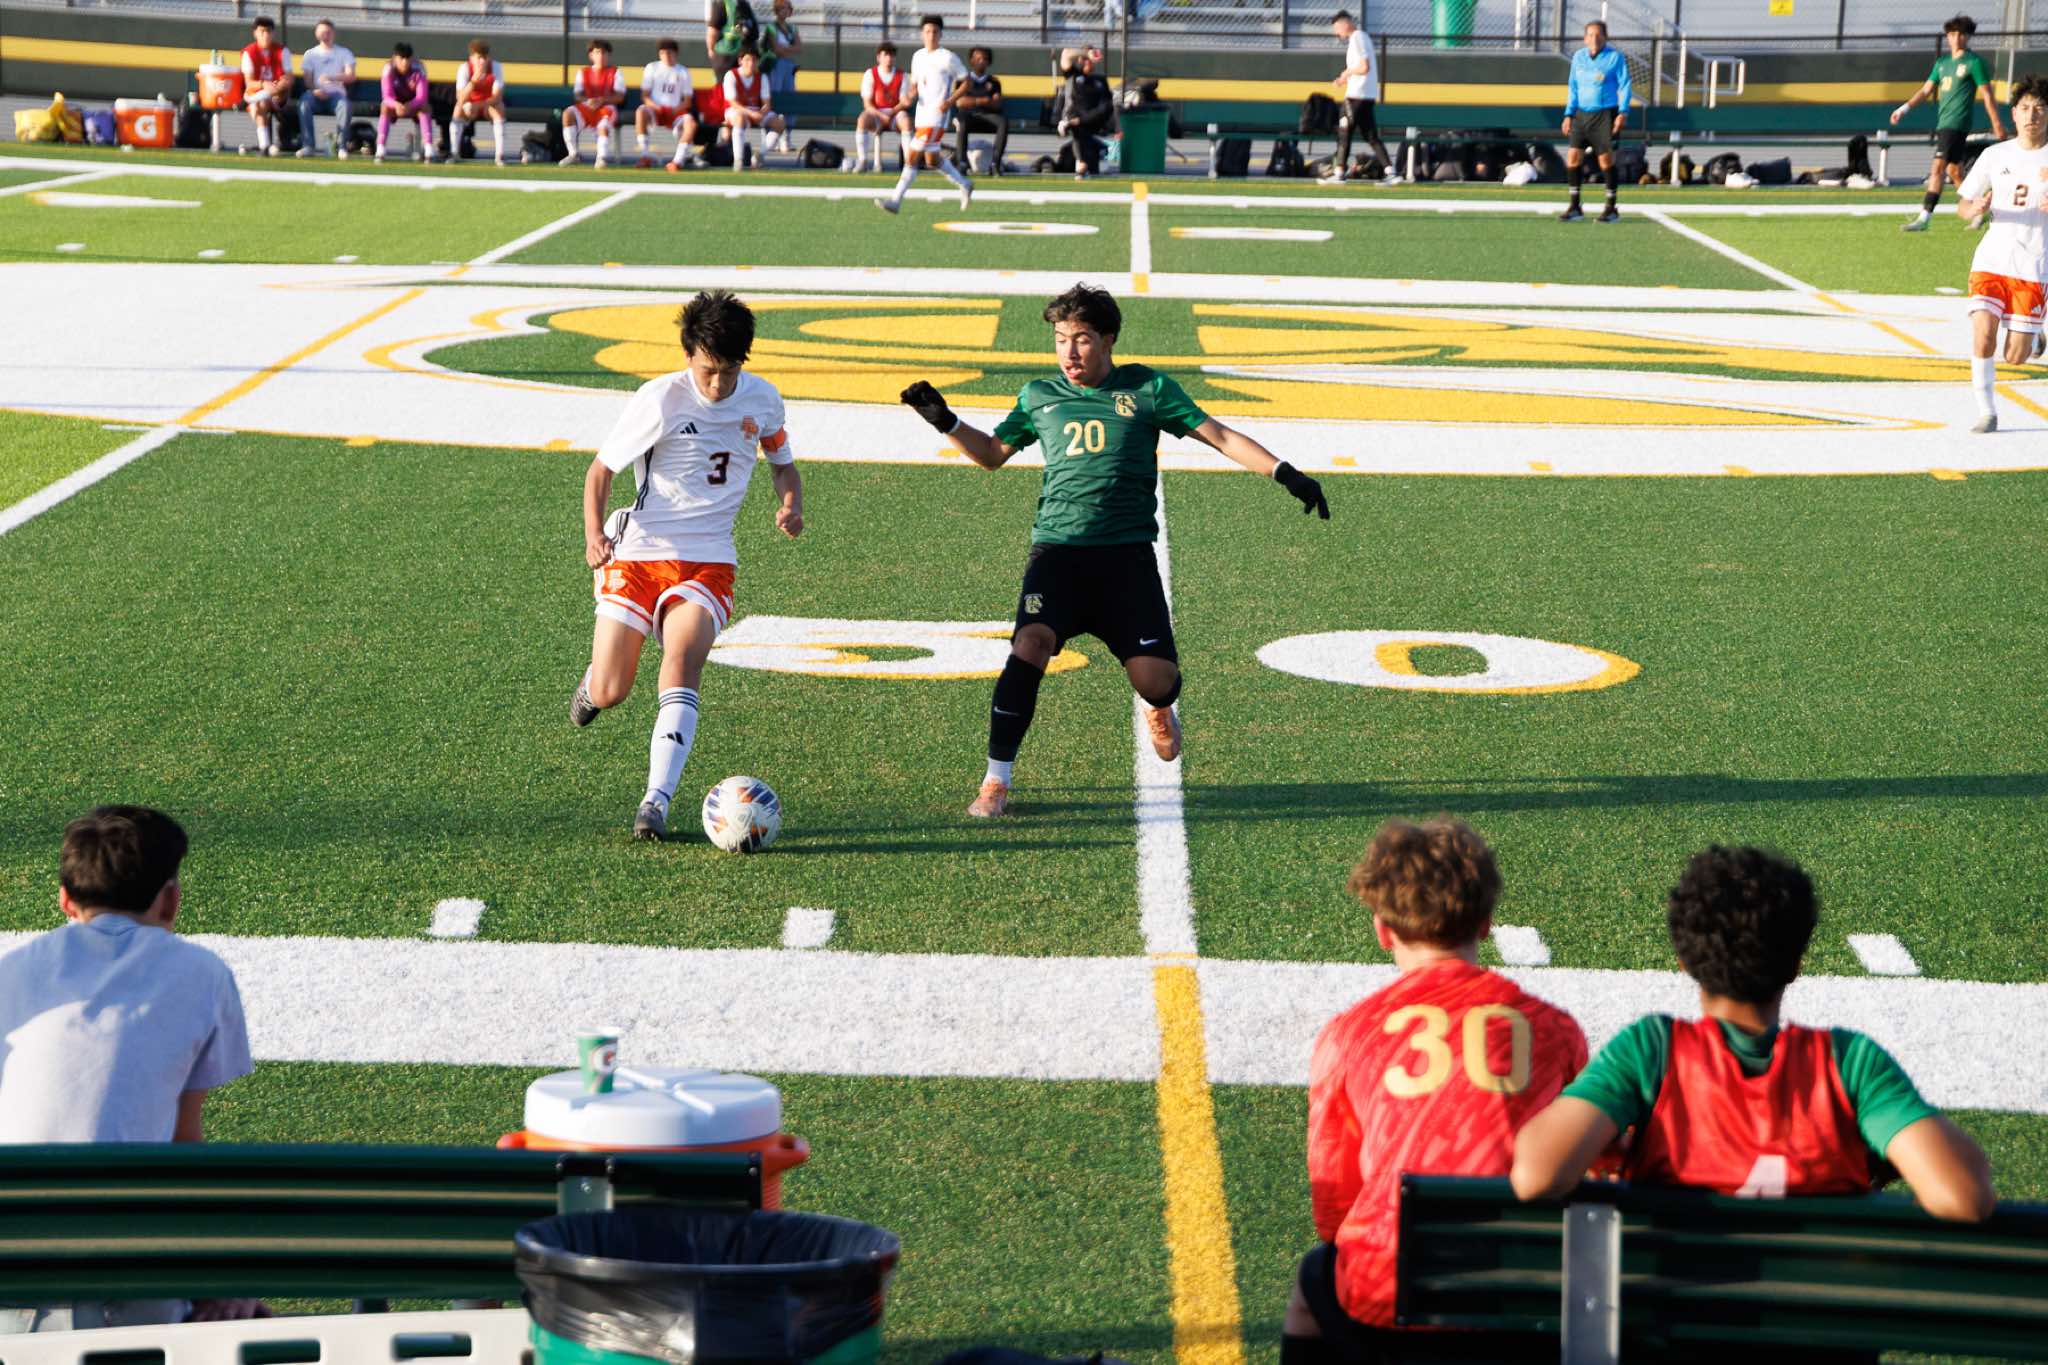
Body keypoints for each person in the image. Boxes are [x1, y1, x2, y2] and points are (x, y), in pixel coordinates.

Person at [897, 284, 1328, 818]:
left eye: (1081, 339)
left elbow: (1218, 435)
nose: (1070, 352)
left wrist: (1286, 473)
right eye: (1061, 340)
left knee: (1156, 679)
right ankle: (996, 780)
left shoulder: (1147, 388)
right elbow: (991, 454)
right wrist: (944, 420)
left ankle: (1160, 707)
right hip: (1058, 553)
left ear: (1108, 340)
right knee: (1028, 645)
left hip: (1126, 561)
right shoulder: (1039, 396)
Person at [1511, 845, 1995, 1223]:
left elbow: (1535, 1175)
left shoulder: (1649, 1051)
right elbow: (1963, 1195)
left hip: (1677, 1318)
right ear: (1797, 963)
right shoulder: (1852, 1063)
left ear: (1684, 961)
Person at [1283, 817, 1587, 1364]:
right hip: (1518, 1298)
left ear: (1383, 929)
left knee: (1312, 1284)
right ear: (1486, 923)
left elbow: (1333, 1204)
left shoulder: (1348, 1033)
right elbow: (1585, 1167)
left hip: (1389, 1299)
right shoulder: (1554, 1030)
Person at [0, 806, 260, 1334]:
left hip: (16, 1266)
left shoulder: (11, 972)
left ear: (65, 899)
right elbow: (184, 1145)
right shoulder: (202, 973)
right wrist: (221, 1281)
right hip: (130, 1282)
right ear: (171, 899)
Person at [572, 291, 805, 841]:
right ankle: (593, 686)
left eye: (729, 371)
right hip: (638, 553)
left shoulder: (764, 400)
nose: (718, 384)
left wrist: (791, 503)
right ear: (688, 355)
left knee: (682, 660)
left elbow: (783, 465)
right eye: (708, 370)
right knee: (612, 689)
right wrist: (592, 536)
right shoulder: (660, 400)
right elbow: (600, 472)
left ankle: (655, 801)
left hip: (709, 560)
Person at [1954, 75, 2047, 432]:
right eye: (2025, 108)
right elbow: (1963, 205)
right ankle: (1987, 411)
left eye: (2039, 108)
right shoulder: (1995, 155)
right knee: (1983, 333)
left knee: (2015, 356)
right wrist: (1973, 209)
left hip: (2034, 265)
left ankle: (2034, 336)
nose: (2032, 115)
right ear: (2015, 114)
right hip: (1991, 259)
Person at [1896, 15, 2007, 232]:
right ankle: (1978, 210)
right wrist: (1904, 108)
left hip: (1957, 123)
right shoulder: (1942, 63)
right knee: (1955, 172)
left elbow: (1987, 95)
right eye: (1952, 34)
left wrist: (1997, 123)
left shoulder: (1973, 63)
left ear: (1968, 37)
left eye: (1961, 34)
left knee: (1937, 168)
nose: (1956, 38)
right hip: (1944, 123)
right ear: (1948, 36)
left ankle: (1924, 218)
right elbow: (1926, 90)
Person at [877, 15, 972, 213]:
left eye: (935, 32)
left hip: (937, 115)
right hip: (922, 113)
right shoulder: (918, 56)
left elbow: (966, 82)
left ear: (941, 34)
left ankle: (895, 201)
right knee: (931, 160)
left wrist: (949, 102)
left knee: (912, 156)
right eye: (927, 31)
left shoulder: (947, 57)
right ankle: (964, 183)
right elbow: (915, 85)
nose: (931, 35)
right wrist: (909, 96)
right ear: (922, 34)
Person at [1559, 20, 1632, 223]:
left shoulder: (1615, 58)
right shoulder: (1579, 57)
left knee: (1605, 161)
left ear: (1605, 37)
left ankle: (1611, 208)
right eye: (1590, 35)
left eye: (1598, 34)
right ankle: (1575, 207)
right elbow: (1573, 87)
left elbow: (1625, 85)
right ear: (1585, 38)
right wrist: (1568, 114)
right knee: (1573, 158)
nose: (1594, 38)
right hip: (1581, 115)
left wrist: (1623, 112)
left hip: (1605, 115)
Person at [1326, 12, 1393, 183]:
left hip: (1356, 97)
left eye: (1337, 28)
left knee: (1344, 133)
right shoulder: (1362, 38)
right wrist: (1344, 78)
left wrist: (1348, 72)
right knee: (1371, 136)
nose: (1337, 33)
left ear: (1345, 24)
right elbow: (1361, 68)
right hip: (1366, 96)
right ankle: (1391, 172)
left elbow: (1364, 67)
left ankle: (1339, 173)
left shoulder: (1357, 38)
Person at [722, 46, 789, 171]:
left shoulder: (761, 77)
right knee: (740, 118)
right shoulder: (731, 75)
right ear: (740, 61)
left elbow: (766, 103)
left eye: (754, 60)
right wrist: (752, 114)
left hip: (755, 111)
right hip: (735, 111)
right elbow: (733, 102)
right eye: (747, 60)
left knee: (779, 123)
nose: (751, 63)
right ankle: (738, 160)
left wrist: (761, 113)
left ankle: (759, 156)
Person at [296, 18, 355, 160]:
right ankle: (308, 146)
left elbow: (351, 76)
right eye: (322, 32)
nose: (325, 35)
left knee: (345, 106)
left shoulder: (344, 53)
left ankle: (341, 147)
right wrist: (315, 90)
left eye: (328, 32)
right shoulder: (310, 54)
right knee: (304, 103)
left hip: (337, 95)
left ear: (333, 33)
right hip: (316, 95)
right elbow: (307, 80)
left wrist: (332, 77)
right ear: (316, 33)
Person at [638, 37, 701, 170]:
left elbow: (687, 101)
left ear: (676, 53)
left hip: (675, 112)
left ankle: (677, 162)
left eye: (669, 53)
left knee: (691, 123)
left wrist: (674, 110)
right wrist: (656, 107)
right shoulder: (652, 68)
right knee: (641, 111)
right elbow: (645, 96)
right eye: (662, 53)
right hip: (655, 111)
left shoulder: (683, 71)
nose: (666, 56)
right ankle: (644, 155)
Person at [848, 40, 910, 174]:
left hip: (895, 115)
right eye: (885, 55)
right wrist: (881, 115)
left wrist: (891, 113)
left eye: (891, 55)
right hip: (876, 114)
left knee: (906, 121)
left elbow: (904, 102)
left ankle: (908, 163)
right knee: (862, 119)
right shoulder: (870, 74)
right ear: (879, 57)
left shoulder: (902, 76)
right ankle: (863, 161)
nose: (889, 58)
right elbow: (867, 104)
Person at [563, 39, 625, 168]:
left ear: (609, 55)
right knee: (568, 114)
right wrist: (588, 101)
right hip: (588, 107)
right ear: (591, 55)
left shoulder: (616, 72)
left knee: (603, 126)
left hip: (606, 108)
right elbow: (578, 94)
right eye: (597, 52)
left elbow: (619, 96)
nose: (601, 56)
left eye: (604, 53)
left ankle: (601, 158)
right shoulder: (583, 72)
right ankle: (573, 154)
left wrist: (602, 100)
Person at [239, 16, 292, 158]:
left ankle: (269, 145)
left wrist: (278, 87)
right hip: (256, 95)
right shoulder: (249, 52)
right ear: (255, 33)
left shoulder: (282, 51)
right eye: (262, 31)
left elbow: (289, 78)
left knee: (270, 100)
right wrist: (264, 84)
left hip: (278, 95)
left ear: (273, 33)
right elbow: (249, 82)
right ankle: (264, 146)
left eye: (268, 31)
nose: (265, 35)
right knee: (260, 103)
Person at [950, 46, 1008, 175]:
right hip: (968, 116)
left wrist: (972, 101)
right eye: (977, 58)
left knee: (1003, 122)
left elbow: (997, 104)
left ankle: (995, 164)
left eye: (984, 59)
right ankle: (962, 163)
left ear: (989, 62)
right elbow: (960, 102)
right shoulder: (963, 81)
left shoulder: (994, 82)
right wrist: (983, 100)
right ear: (971, 61)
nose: (981, 61)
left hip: (987, 117)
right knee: (961, 122)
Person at [1058, 48, 1115, 180]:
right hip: (1072, 120)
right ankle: (1081, 165)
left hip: (1091, 121)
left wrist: (1083, 120)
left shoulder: (1100, 80)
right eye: (1085, 59)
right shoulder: (1073, 74)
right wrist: (1086, 54)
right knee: (1077, 129)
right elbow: (1066, 54)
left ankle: (1094, 152)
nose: (1088, 62)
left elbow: (1106, 107)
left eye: (1090, 60)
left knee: (1082, 132)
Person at [376, 42, 433, 163]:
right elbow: (386, 96)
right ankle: (380, 148)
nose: (404, 62)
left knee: (426, 107)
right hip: (395, 104)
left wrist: (410, 105)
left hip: (413, 104)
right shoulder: (388, 68)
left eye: (407, 58)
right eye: (401, 58)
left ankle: (428, 149)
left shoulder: (419, 68)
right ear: (395, 58)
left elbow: (422, 96)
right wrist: (396, 104)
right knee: (384, 107)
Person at [454, 39, 507, 167]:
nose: (482, 61)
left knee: (499, 108)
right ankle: (454, 153)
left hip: (487, 106)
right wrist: (473, 82)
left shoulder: (496, 67)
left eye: (484, 57)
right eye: (478, 58)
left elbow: (497, 97)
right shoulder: (464, 68)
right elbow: (460, 98)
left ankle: (499, 156)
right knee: (458, 109)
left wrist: (480, 105)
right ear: (471, 58)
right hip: (469, 106)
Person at [705, 0, 756, 85]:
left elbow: (712, 32)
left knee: (727, 86)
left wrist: (711, 50)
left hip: (727, 57)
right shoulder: (742, 5)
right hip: (732, 56)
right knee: (732, 86)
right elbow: (713, 31)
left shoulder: (724, 4)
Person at [762, 0, 803, 98]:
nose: (785, 10)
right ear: (776, 10)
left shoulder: (792, 27)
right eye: (782, 8)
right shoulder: (771, 26)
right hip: (775, 63)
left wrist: (784, 48)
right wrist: (791, 48)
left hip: (789, 63)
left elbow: (799, 48)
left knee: (790, 94)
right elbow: (776, 49)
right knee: (775, 92)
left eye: (788, 8)